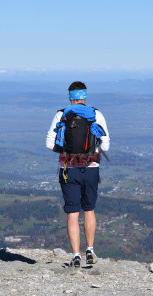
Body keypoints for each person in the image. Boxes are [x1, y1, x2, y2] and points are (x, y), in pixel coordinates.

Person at [46, 81, 110, 267]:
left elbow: (50, 144)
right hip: (91, 168)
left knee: (73, 212)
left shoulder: (61, 114)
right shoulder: (96, 114)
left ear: (70, 96)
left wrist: (67, 152)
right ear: (84, 95)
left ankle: (76, 255)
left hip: (68, 169)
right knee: (89, 209)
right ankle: (90, 249)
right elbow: (105, 145)